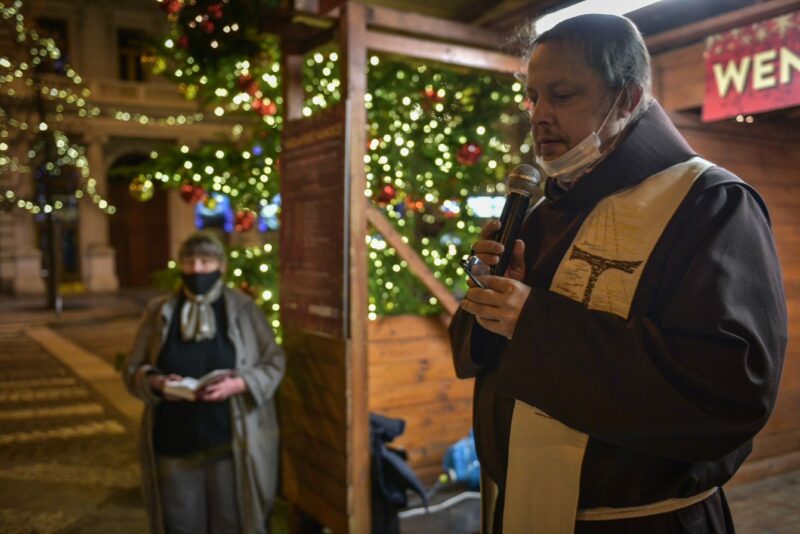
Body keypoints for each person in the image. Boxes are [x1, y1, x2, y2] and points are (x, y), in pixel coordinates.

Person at [449, 14, 787, 534]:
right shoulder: (543, 210)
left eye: (561, 95)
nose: (538, 116)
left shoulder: (711, 205)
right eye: (532, 97)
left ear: (627, 100)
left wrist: (532, 320)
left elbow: (733, 390)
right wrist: (492, 299)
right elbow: (490, 356)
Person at [124, 231, 286, 534]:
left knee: (231, 522)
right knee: (182, 524)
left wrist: (239, 384)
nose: (197, 269)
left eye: (205, 261)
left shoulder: (244, 309)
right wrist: (157, 382)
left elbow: (274, 361)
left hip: (230, 441)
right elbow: (132, 367)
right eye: (189, 261)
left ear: (221, 266)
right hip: (174, 442)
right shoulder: (160, 311)